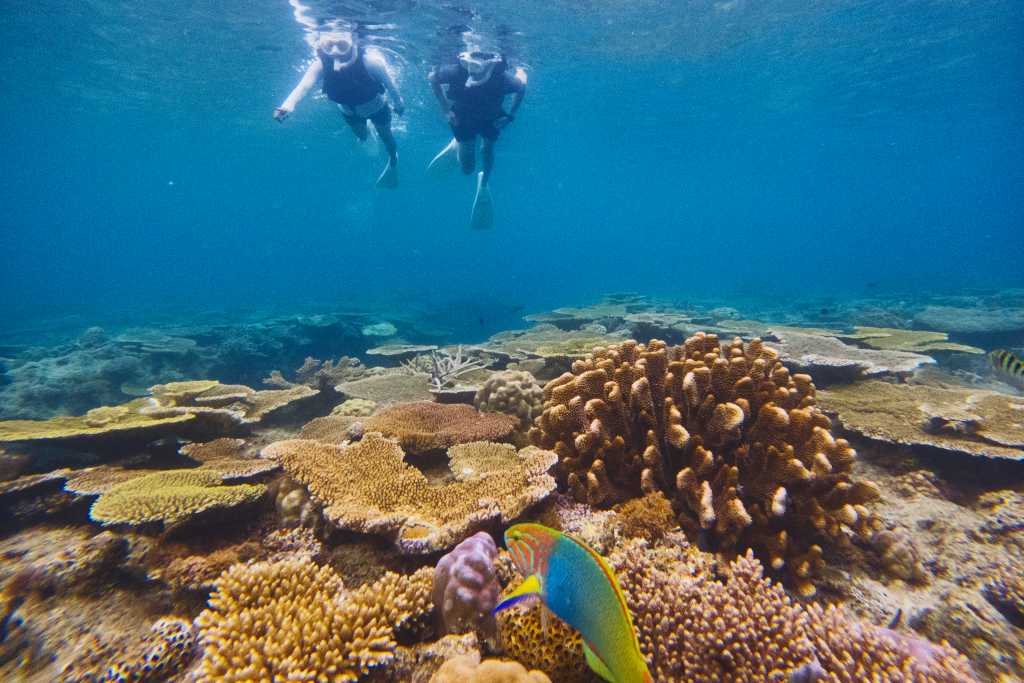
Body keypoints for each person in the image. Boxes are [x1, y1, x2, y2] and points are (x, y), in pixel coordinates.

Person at [274, 31, 405, 188]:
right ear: (321, 45)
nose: (335, 51)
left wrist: (399, 104)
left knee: (386, 138)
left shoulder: (370, 62)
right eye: (329, 46)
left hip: (376, 109)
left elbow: (391, 86)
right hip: (349, 112)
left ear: (353, 43)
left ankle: (393, 160)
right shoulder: (320, 65)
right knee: (362, 137)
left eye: (342, 45)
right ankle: (368, 130)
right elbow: (303, 87)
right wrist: (287, 106)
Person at [428, 50, 527, 228]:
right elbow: (433, 78)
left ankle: (484, 183)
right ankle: (456, 145)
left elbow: (522, 86)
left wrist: (510, 115)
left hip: (491, 118)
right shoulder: (456, 72)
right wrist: (445, 109)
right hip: (463, 118)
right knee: (467, 169)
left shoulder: (503, 78)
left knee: (487, 150)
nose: (472, 78)